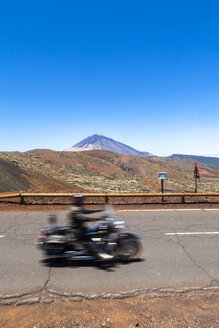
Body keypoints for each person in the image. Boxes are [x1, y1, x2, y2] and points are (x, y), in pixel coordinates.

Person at [68, 194, 113, 260]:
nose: (82, 201)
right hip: (78, 231)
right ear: (78, 200)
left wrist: (98, 210)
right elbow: (84, 218)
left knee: (94, 231)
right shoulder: (75, 210)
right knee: (89, 238)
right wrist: (98, 218)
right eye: (80, 200)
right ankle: (97, 254)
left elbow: (86, 211)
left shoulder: (78, 207)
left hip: (79, 228)